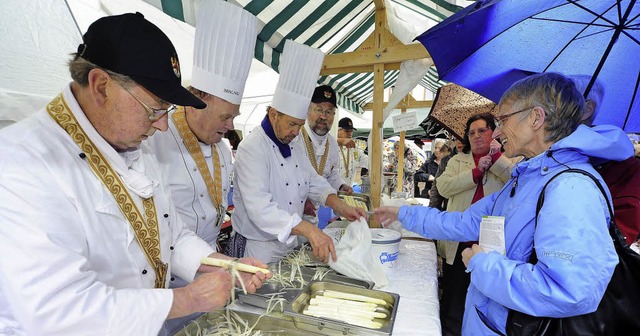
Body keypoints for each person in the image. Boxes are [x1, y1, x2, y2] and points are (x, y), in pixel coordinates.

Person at [0, 13, 269, 335]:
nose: (162, 125)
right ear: (101, 86)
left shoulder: (130, 145)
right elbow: (53, 310)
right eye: (155, 108)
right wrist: (184, 300)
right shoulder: (20, 163)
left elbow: (170, 232)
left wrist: (220, 264)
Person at [375, 72, 631, 335]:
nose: (496, 131)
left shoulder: (570, 187)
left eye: (503, 119)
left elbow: (569, 291)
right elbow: (465, 222)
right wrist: (402, 213)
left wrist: (482, 264)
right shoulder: (529, 178)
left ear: (535, 117)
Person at [226, 40, 365, 264]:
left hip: (291, 241)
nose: (296, 132)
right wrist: (309, 230)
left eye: (300, 125)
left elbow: (311, 178)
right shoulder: (252, 148)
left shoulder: (294, 139)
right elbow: (260, 208)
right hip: (259, 248)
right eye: (292, 124)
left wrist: (339, 204)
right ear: (273, 114)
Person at [150, 0, 257, 251]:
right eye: (224, 116)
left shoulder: (221, 148)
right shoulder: (155, 139)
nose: (230, 126)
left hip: (210, 254)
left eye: (234, 116)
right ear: (197, 101)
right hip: (169, 268)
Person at [429, 113, 516, 336]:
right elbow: (444, 187)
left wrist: (496, 161)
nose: (476, 136)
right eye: (471, 133)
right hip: (459, 244)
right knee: (453, 301)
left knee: (486, 304)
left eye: (482, 131)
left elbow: (517, 182)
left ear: (493, 132)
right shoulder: (458, 161)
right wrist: (476, 172)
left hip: (492, 248)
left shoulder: (509, 160)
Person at [571, 74, 640, 246]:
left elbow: (608, 247)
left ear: (587, 109)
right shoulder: (545, 151)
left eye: (557, 101)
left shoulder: (630, 172)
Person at [429, 138, 464, 210]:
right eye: (455, 139)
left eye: (463, 138)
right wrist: (433, 211)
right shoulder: (446, 160)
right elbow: (437, 187)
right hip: (450, 208)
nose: (459, 142)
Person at [337, 116, 368, 188]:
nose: (350, 134)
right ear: (338, 130)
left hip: (348, 191)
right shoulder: (331, 145)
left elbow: (367, 161)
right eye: (347, 131)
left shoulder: (354, 148)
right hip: (332, 191)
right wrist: (340, 141)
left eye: (351, 131)